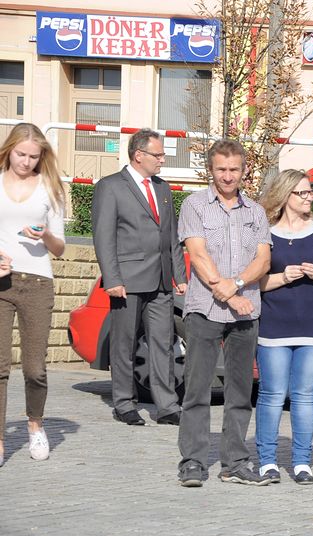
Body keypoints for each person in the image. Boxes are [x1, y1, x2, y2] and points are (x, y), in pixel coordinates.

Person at [176, 139, 271, 487]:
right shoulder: (195, 205)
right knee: (197, 390)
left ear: (243, 170)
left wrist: (239, 283)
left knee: (240, 393)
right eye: (221, 169)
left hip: (246, 314)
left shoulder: (256, 212)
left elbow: (263, 260)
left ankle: (235, 461)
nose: (228, 176)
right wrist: (230, 295)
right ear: (210, 170)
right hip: (205, 310)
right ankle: (193, 461)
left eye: (234, 169)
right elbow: (198, 257)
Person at [254, 170, 313, 485]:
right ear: (286, 196)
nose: (310, 198)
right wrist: (284, 277)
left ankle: (302, 462)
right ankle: (267, 461)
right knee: (271, 394)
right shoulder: (264, 232)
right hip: (274, 325)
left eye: (310, 193)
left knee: (306, 396)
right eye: (304, 193)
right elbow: (255, 280)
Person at [92, 129, 187, 427]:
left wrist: (179, 276)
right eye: (157, 155)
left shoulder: (163, 189)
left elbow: (171, 236)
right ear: (139, 155)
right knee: (125, 343)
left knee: (163, 343)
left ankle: (167, 405)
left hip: (160, 281)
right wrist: (112, 278)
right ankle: (123, 402)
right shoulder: (110, 187)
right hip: (127, 281)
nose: (162, 160)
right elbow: (103, 237)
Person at [0, 123, 65, 465]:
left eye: (33, 156)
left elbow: (60, 248)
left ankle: (35, 424)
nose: (25, 162)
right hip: (1, 284)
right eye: (20, 154)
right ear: (9, 149)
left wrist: (44, 236)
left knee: (35, 367)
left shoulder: (50, 188)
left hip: (38, 282)